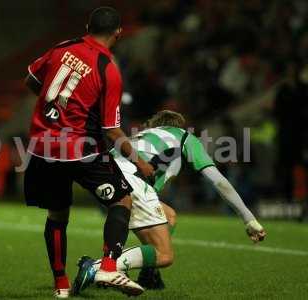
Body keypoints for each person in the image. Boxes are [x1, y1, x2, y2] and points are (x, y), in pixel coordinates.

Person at [24, 7, 154, 298]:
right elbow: (111, 130)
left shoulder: (62, 47)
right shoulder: (108, 68)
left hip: (43, 146)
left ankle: (61, 285)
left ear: (87, 26)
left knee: (57, 215)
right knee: (122, 200)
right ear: (118, 33)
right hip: (80, 147)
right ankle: (108, 266)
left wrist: (57, 111)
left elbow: (31, 79)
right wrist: (140, 162)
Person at [72, 110, 266, 295]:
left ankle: (148, 274)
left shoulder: (143, 135)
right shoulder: (185, 137)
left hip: (104, 177)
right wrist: (248, 218)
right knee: (164, 255)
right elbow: (219, 181)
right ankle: (99, 267)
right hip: (133, 181)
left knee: (169, 215)